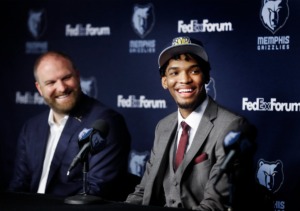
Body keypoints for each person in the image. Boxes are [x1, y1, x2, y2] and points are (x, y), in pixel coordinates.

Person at [125, 37, 263, 210]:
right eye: (174, 73)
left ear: (206, 77)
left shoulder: (232, 127)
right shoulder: (163, 126)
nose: (184, 80)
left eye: (194, 71)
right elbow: (143, 192)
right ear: (164, 81)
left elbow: (215, 204)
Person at [8, 51, 131, 201]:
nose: (61, 88)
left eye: (66, 78)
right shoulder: (32, 127)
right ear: (39, 89)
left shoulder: (105, 122)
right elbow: (19, 185)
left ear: (78, 76)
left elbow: (96, 189)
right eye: (51, 82)